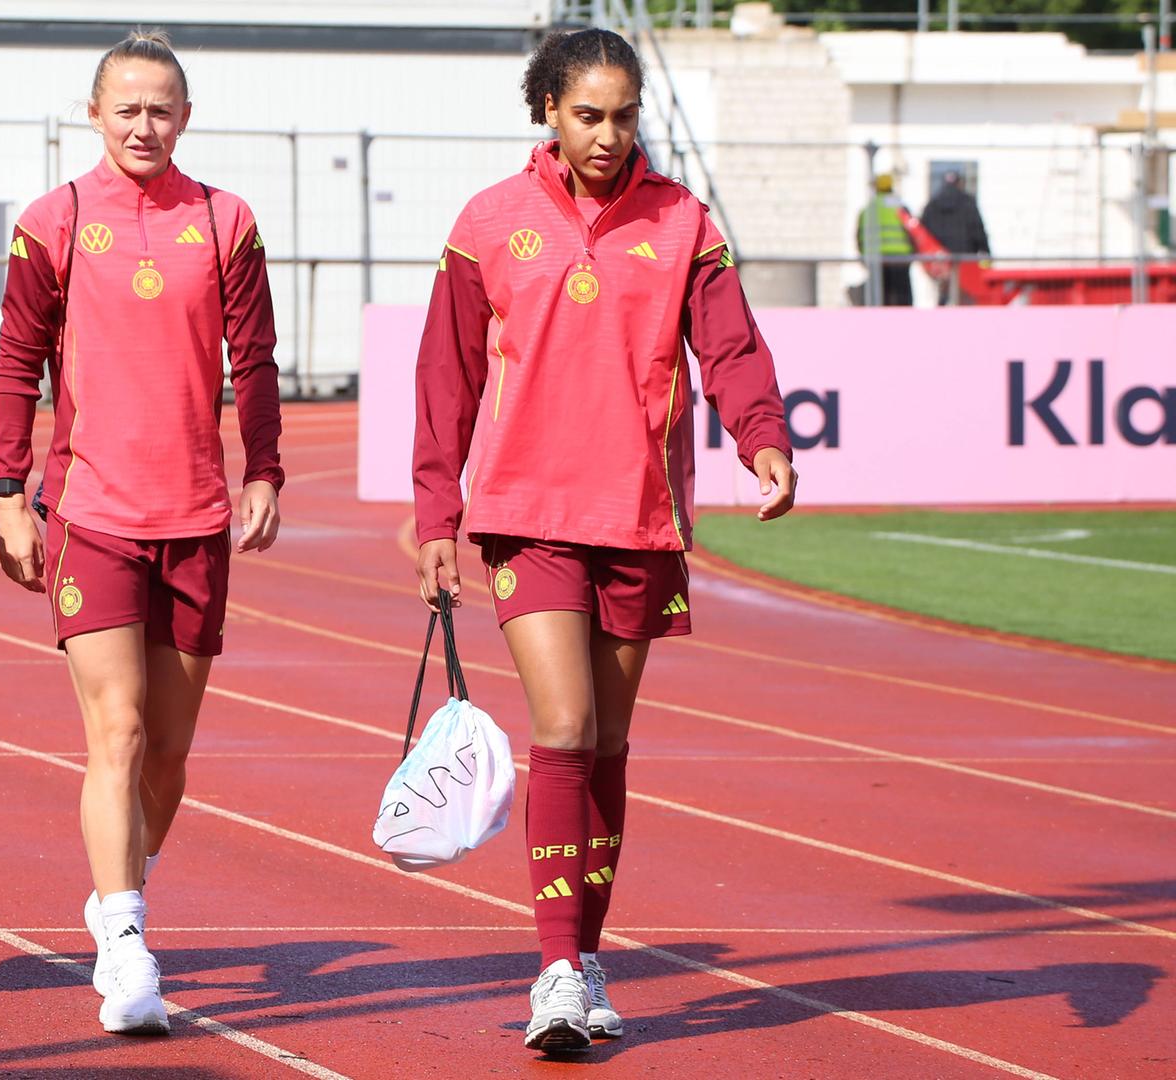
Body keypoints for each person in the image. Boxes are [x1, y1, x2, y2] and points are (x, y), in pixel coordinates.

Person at [412, 28, 796, 1054]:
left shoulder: (683, 222)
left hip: (639, 517)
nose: (609, 135)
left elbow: (731, 348)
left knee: (610, 749)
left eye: (625, 116)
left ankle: (587, 955)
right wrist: (435, 515)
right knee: (568, 730)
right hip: (526, 516)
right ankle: (552, 971)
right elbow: (445, 379)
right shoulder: (488, 222)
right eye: (589, 114)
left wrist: (763, 441)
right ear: (547, 110)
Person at [0, 29, 284, 1036]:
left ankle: (120, 881)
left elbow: (256, 357)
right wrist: (6, 490)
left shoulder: (227, 219)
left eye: (162, 108)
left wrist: (266, 470)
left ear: (186, 117)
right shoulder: (56, 219)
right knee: (113, 733)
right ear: (95, 113)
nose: (144, 125)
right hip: (93, 514)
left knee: (167, 754)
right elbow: (18, 358)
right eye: (127, 108)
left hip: (196, 514)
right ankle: (125, 943)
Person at [921, 170, 990, 305]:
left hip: (941, 260)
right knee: (965, 298)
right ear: (959, 183)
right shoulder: (968, 203)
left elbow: (924, 233)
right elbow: (977, 229)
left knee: (944, 295)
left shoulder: (932, 205)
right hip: (965, 258)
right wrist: (986, 251)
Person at [856, 172, 914, 306]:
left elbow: (859, 236)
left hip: (877, 260)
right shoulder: (900, 207)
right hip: (901, 260)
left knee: (881, 299)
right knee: (902, 301)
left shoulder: (868, 209)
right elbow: (913, 232)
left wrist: (864, 256)